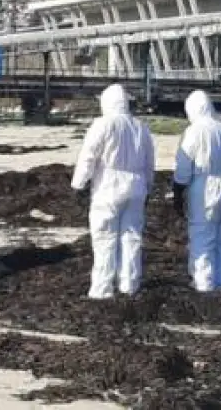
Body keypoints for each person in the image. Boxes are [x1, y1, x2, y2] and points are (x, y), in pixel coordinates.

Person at [71, 83, 155, 299]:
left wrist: (79, 184)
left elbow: (88, 156)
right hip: (136, 185)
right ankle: (129, 284)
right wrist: (148, 187)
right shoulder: (140, 126)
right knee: (131, 237)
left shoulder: (103, 124)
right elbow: (149, 162)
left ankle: (102, 289)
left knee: (105, 237)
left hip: (108, 186)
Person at [172, 89, 221, 292]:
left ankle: (204, 284)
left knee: (202, 236)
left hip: (204, 187)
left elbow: (183, 166)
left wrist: (178, 193)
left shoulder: (194, 131)